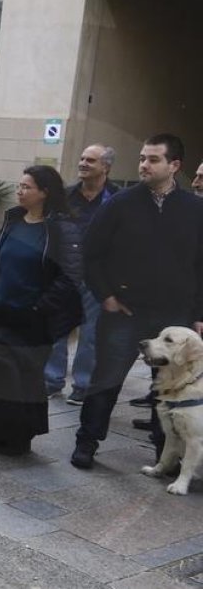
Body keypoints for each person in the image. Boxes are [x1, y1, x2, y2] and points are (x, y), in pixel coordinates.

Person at [71, 134, 203, 470]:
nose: (144, 164)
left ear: (174, 165)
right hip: (125, 312)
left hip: (174, 318)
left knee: (169, 387)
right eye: (143, 158)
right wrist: (106, 296)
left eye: (153, 159)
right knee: (106, 379)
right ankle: (87, 441)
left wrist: (199, 314)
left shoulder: (194, 209)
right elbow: (91, 254)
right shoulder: (120, 203)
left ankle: (164, 453)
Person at [0, 165, 79, 455]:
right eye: (18, 186)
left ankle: (19, 437)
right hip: (1, 310)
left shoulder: (60, 228)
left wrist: (39, 306)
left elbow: (69, 276)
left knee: (25, 376)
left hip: (34, 317)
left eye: (26, 187)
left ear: (44, 192)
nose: (19, 191)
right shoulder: (13, 220)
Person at [44, 145, 119, 404]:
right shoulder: (64, 197)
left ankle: (83, 385)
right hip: (64, 273)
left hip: (97, 277)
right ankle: (51, 381)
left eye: (91, 160)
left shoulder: (117, 199)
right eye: (82, 158)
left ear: (105, 167)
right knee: (57, 331)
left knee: (90, 335)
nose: (83, 163)